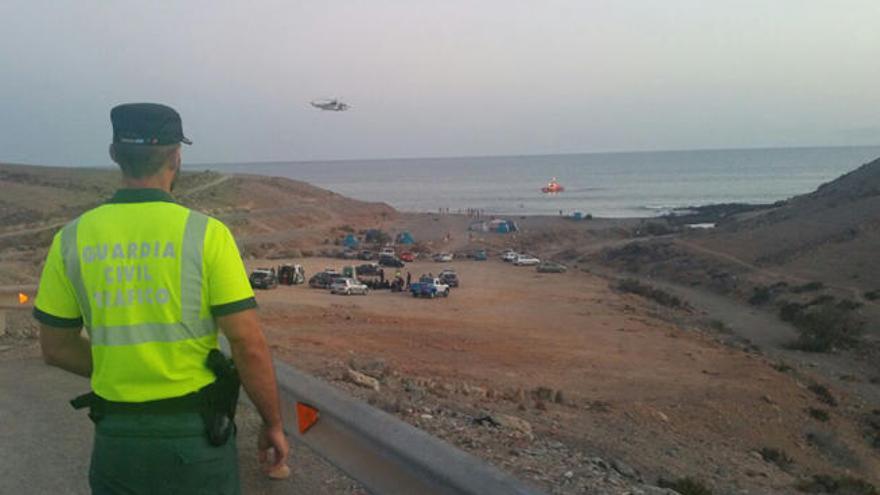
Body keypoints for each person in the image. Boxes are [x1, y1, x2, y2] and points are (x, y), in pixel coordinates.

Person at [33, 103, 289, 494]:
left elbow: (55, 347)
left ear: (114, 154)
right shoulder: (208, 235)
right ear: (176, 156)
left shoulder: (70, 239)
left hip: (117, 440)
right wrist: (272, 423)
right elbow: (247, 344)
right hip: (196, 435)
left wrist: (122, 367)